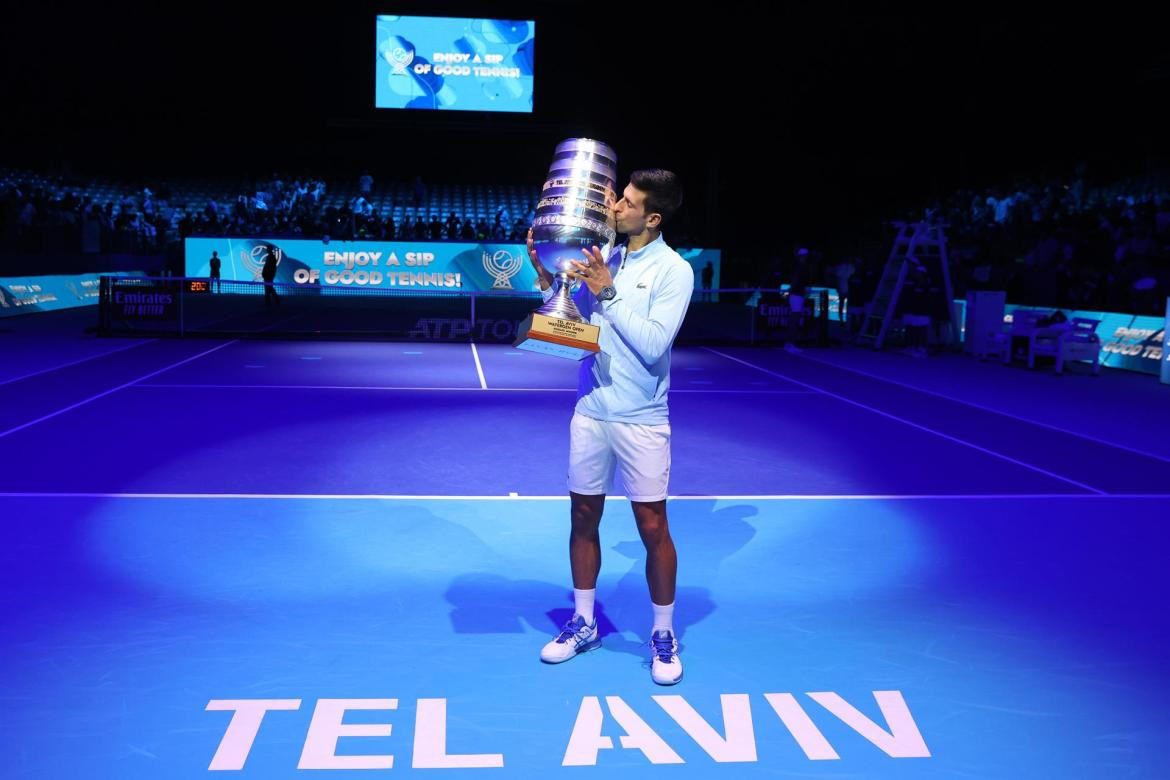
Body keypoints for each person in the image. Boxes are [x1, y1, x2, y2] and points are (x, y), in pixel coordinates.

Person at [527, 169, 692, 685]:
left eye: (626, 202)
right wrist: (546, 271)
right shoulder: (607, 255)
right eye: (619, 197)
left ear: (653, 217)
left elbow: (653, 344)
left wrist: (610, 292)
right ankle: (583, 623)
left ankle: (663, 634)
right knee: (583, 516)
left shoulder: (674, 271)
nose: (614, 206)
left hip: (641, 418)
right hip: (590, 410)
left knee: (652, 527)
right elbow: (574, 321)